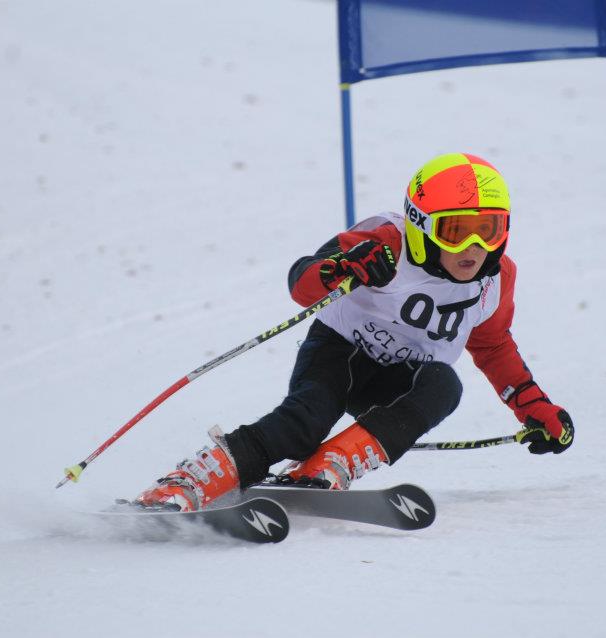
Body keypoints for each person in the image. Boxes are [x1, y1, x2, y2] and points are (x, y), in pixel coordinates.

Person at [134, 152, 574, 512]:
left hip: (398, 381)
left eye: (488, 231)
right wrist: (343, 268)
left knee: (445, 385)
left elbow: (493, 346)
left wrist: (534, 407)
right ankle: (191, 482)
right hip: (339, 352)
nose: (473, 249)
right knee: (306, 423)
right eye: (455, 231)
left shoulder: (495, 280)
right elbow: (301, 280)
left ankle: (330, 464)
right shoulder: (386, 239)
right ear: (421, 225)